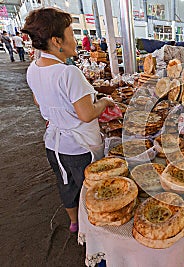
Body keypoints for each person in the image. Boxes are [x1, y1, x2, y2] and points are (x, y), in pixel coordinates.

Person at [21, 7, 114, 233]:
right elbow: (86, 114)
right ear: (56, 40)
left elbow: (38, 101)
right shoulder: (68, 73)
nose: (76, 39)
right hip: (79, 146)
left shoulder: (34, 69)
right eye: (71, 33)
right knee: (90, 189)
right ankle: (93, 230)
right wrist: (104, 103)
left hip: (53, 143)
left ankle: (74, 222)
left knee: (65, 183)